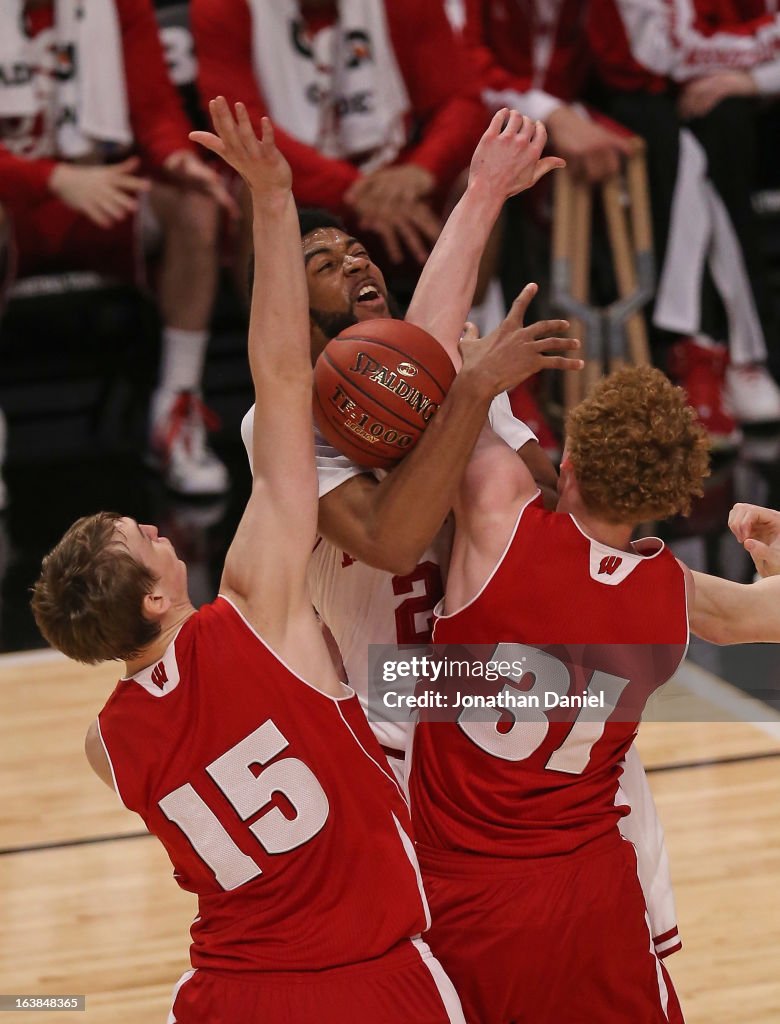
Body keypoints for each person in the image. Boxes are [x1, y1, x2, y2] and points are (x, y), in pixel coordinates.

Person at [30, 98, 466, 1024]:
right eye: (142, 539)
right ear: (152, 600)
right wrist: (272, 202)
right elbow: (279, 378)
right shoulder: (255, 614)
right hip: (366, 977)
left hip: (228, 994)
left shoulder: (107, 746)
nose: (158, 528)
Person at [241, 109, 687, 965]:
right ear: (290, 311)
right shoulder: (283, 422)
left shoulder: (453, 377)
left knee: (625, 953)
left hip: (528, 695)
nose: (355, 261)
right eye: (323, 264)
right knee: (453, 978)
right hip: (402, 719)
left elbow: (549, 523)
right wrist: (471, 390)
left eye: (357, 250)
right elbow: (392, 540)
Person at [408, 365, 711, 1023]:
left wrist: (474, 358)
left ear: (568, 457)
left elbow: (441, 393)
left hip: (470, 898)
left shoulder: (498, 514)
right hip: (595, 891)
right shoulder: (674, 596)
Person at [0, 0, 234, 501]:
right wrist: (52, 178)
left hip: (101, 186)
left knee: (196, 201)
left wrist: (177, 156)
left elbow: (154, 111)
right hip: (15, 197)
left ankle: (177, 412)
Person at [192, 0, 486, 282]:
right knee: (256, 191)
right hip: (298, 184)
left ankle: (471, 329)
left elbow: (461, 101)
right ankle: (270, 333)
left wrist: (423, 170)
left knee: (477, 184)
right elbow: (240, 128)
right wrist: (356, 190)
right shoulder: (222, 6)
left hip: (396, 176)